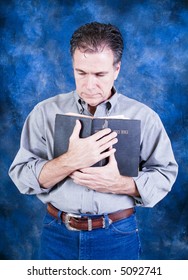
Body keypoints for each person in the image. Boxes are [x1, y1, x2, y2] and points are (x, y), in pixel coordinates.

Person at [9, 22, 178, 260]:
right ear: (73, 67)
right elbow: (21, 176)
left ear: (117, 69)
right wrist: (70, 161)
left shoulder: (144, 117)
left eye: (100, 74)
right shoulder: (44, 112)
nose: (89, 85)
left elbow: (165, 174)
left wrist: (119, 184)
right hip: (57, 234)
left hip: (117, 235)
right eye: (81, 73)